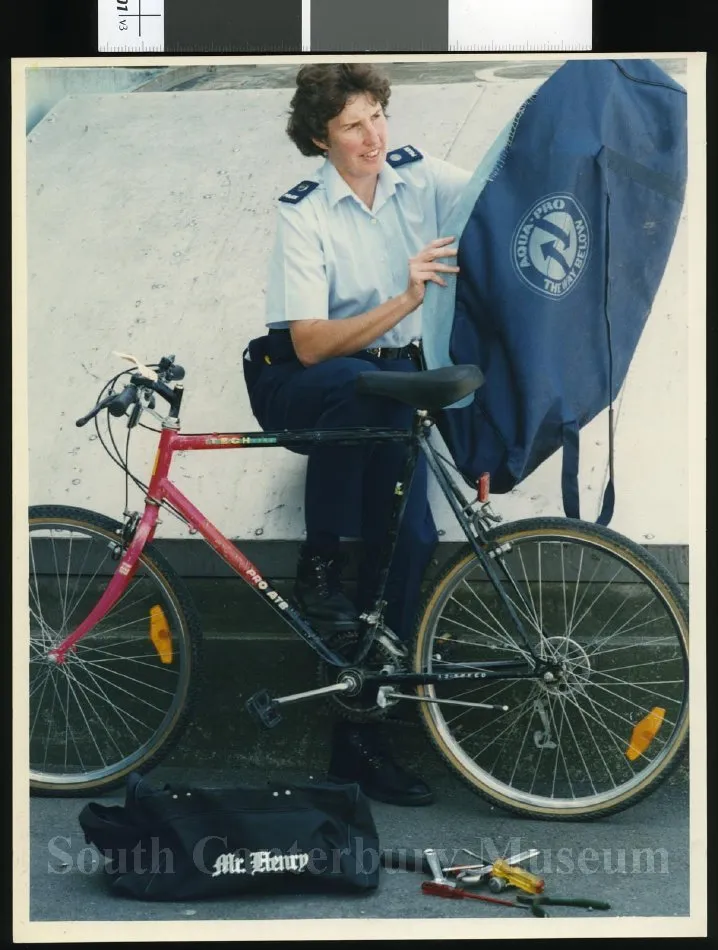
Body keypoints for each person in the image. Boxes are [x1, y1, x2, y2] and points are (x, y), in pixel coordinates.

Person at [244, 63, 471, 806]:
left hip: (389, 392)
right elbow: (308, 343)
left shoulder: (417, 175)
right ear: (321, 138)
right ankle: (318, 564)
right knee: (352, 381)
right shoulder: (304, 211)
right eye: (352, 125)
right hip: (310, 384)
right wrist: (405, 295)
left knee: (408, 546)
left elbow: (493, 199)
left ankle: (360, 744)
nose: (374, 136)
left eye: (378, 115)